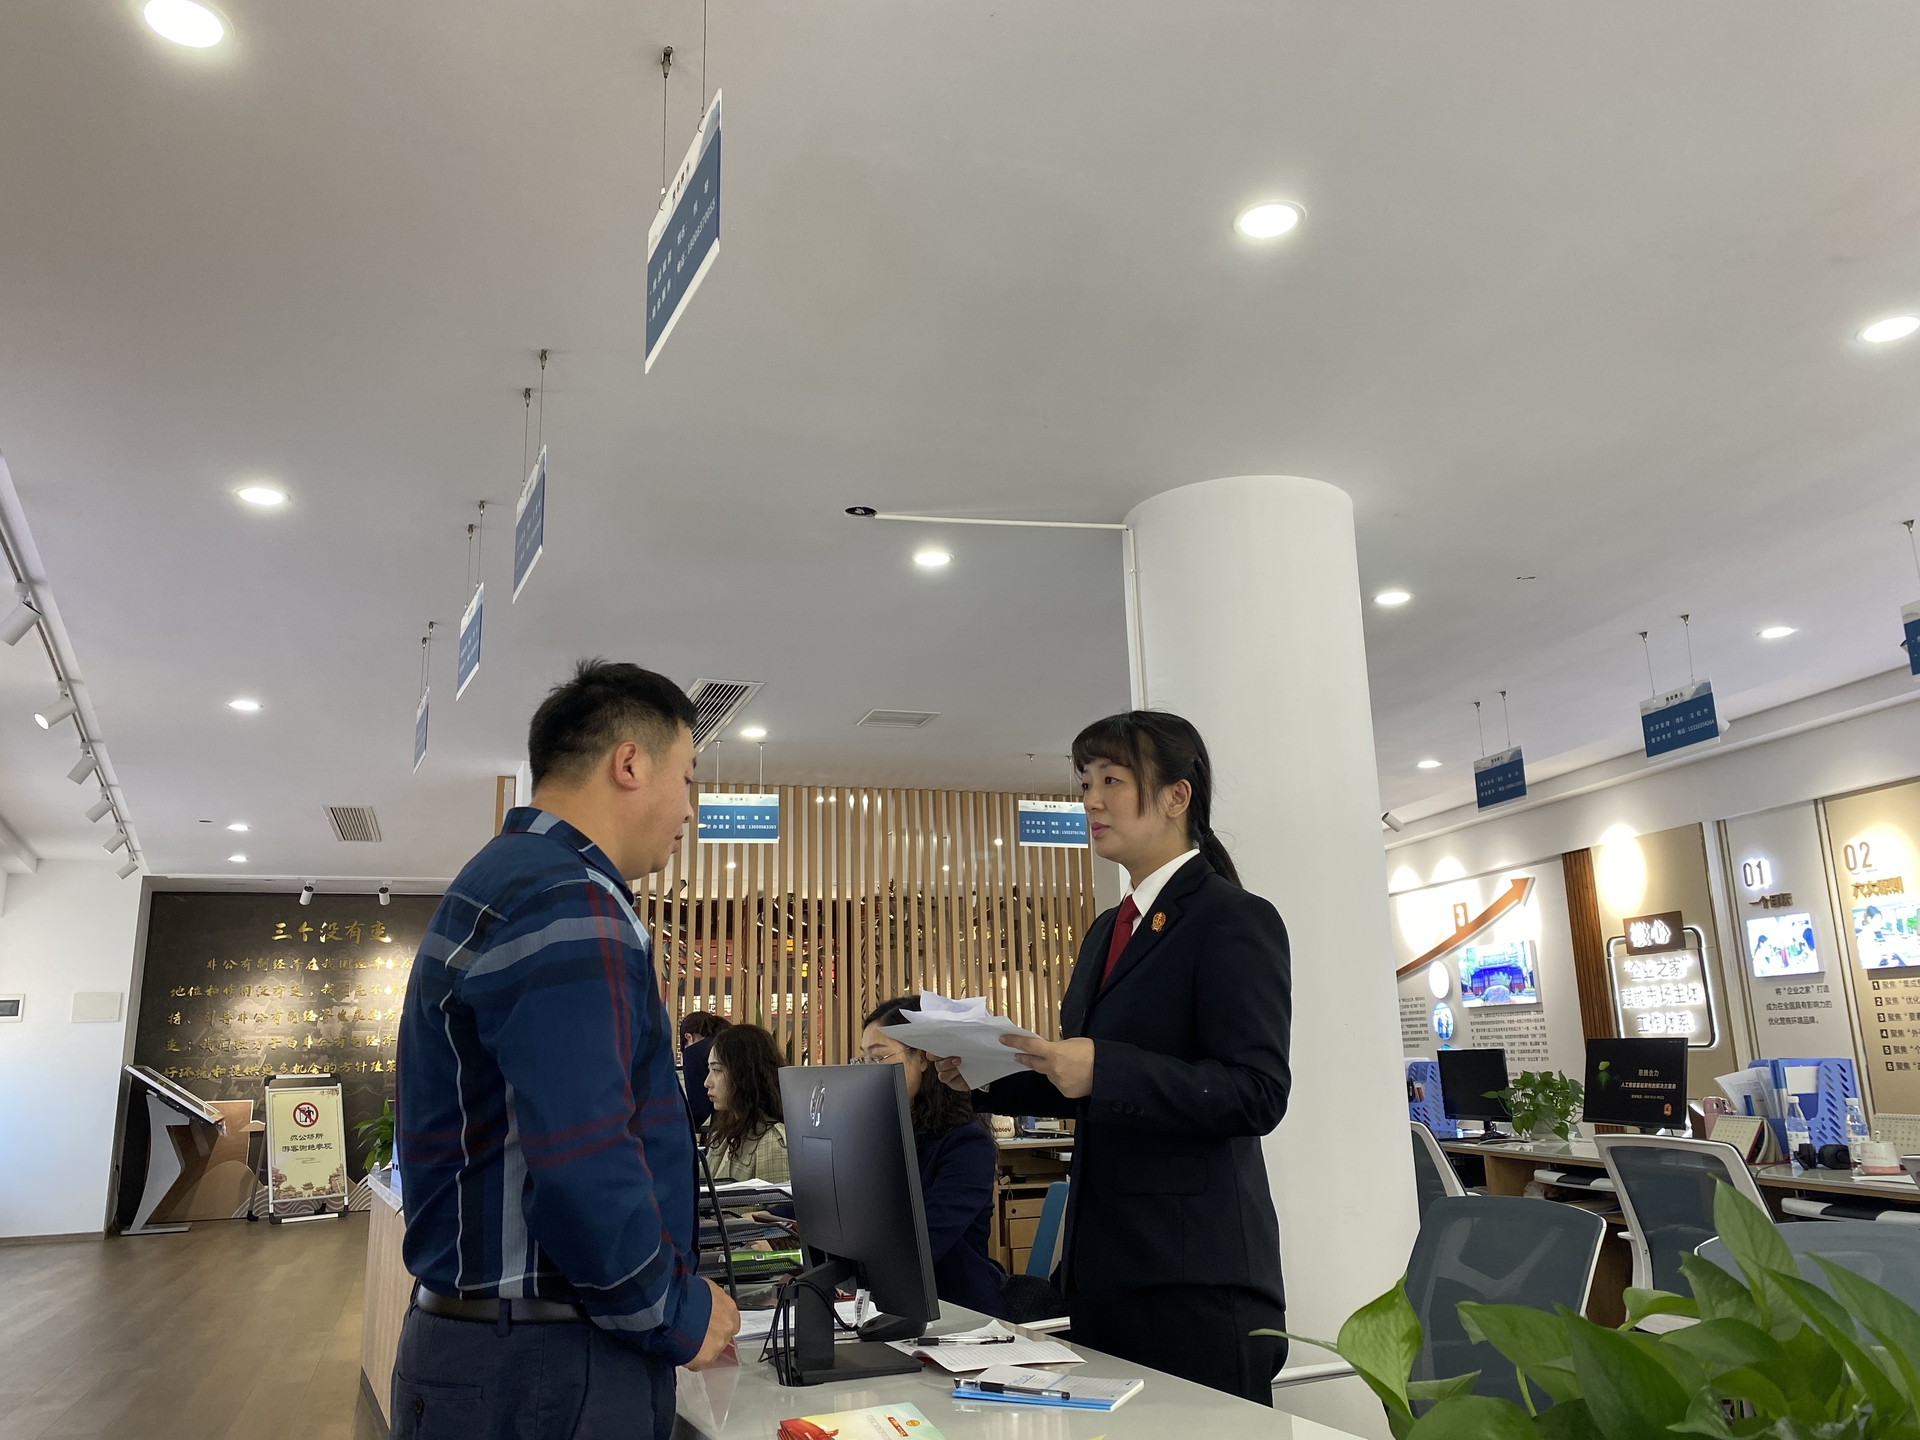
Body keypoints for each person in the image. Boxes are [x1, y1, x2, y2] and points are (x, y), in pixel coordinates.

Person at [394, 660, 739, 1440]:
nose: (690, 807)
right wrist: (675, 1312)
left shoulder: (511, 880)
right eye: (687, 777)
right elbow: (584, 1154)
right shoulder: (565, 897)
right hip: (545, 1365)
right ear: (630, 763)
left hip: (500, 1354)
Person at [934, 709, 1292, 1403]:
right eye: (1085, 783)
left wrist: (1105, 1068)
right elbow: (1087, 1083)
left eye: (1111, 781)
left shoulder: (1234, 919)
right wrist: (980, 1074)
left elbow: (1256, 1092)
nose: (1091, 801)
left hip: (1193, 1276)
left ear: (1177, 796)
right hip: (1104, 1266)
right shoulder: (1109, 928)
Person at [860, 996, 1008, 1318]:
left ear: (924, 1057)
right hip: (886, 1301)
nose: (868, 1071)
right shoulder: (882, 1132)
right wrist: (773, 1221)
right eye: (864, 1060)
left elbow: (921, 1241)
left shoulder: (966, 1144)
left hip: (955, 1310)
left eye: (878, 1058)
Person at [705, 1023, 790, 1183]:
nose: (707, 1082)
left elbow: (776, 1199)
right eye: (709, 1070)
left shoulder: (772, 1142)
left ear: (743, 1074)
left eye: (717, 1070)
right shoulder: (724, 1132)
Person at [680, 1010, 731, 1133]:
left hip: (727, 1124)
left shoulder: (694, 1052)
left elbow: (698, 1108)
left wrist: (676, 1132)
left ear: (689, 1037)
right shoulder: (730, 1043)